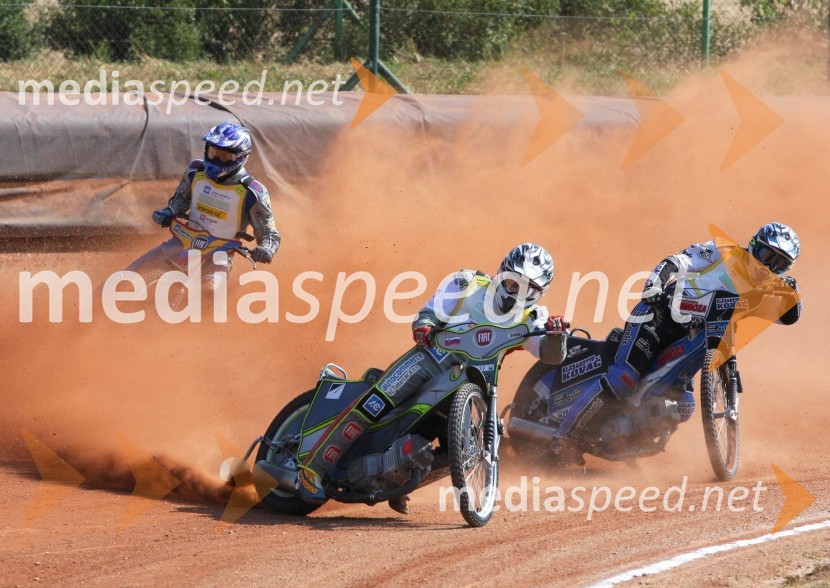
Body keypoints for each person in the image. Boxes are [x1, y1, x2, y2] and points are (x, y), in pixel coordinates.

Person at [297, 243, 570, 511]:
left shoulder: (534, 317)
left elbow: (549, 354)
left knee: (463, 449)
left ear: (540, 293)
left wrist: (557, 336)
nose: (517, 293)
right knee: (376, 402)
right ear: (502, 272)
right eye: (513, 283)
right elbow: (429, 312)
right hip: (431, 358)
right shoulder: (468, 283)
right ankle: (312, 469)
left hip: (476, 383)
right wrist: (424, 326)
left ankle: (396, 480)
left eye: (528, 289)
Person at [550, 222, 802, 443]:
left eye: (778, 263)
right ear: (753, 245)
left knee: (684, 405)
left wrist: (791, 294)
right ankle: (562, 438)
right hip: (660, 314)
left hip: (694, 337)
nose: (768, 265)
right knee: (623, 378)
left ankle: (624, 438)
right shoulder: (725, 251)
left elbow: (788, 317)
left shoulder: (765, 292)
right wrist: (654, 285)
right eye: (766, 255)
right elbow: (679, 261)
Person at [126, 121, 280, 290]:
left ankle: (207, 316)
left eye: (224, 156)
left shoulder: (253, 191)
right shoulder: (195, 171)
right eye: (213, 152)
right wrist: (169, 211)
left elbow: (269, 233)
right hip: (183, 240)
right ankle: (99, 299)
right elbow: (182, 199)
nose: (216, 159)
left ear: (240, 157)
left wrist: (266, 249)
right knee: (132, 273)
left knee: (210, 291)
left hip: (221, 252)